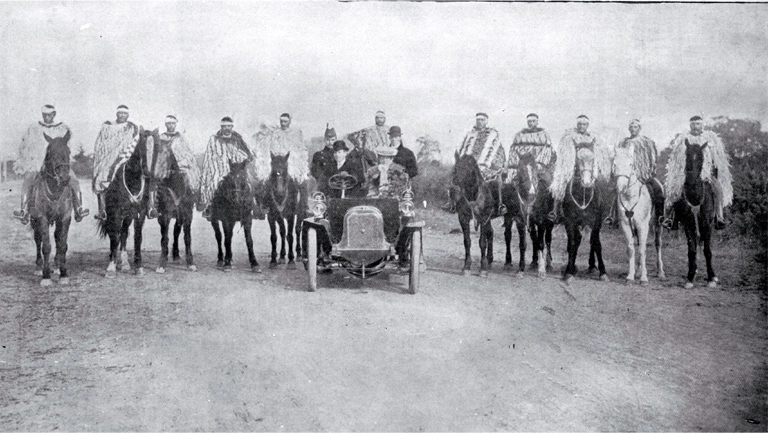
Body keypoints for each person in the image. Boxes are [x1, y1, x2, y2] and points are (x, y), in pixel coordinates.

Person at [13, 104, 88, 224]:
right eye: (45, 115)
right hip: (37, 163)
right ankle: (24, 210)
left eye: (49, 115)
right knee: (28, 179)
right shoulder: (34, 128)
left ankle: (79, 208)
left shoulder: (62, 128)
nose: (47, 117)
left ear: (54, 115)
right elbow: (25, 145)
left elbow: (68, 145)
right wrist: (29, 159)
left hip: (58, 164)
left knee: (73, 179)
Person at [664, 115, 732, 230]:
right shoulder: (683, 140)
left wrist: (714, 173)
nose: (695, 127)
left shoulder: (711, 139)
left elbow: (718, 159)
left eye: (698, 124)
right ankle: (671, 218)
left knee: (718, 190)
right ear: (690, 125)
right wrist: (679, 174)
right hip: (686, 174)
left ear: (702, 125)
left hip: (706, 175)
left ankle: (719, 217)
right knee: (674, 191)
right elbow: (676, 160)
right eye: (693, 124)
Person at [607, 119, 670, 228]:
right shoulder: (623, 143)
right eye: (631, 127)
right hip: (627, 175)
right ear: (628, 129)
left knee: (659, 188)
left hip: (644, 175)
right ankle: (613, 217)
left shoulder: (647, 142)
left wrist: (649, 171)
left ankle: (661, 217)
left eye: (635, 127)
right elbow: (618, 158)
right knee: (616, 191)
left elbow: (652, 158)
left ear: (639, 128)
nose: (633, 129)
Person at [548, 115, 612, 222]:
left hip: (591, 168)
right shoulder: (569, 138)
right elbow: (564, 155)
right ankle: (555, 210)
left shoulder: (594, 138)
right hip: (572, 168)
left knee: (602, 183)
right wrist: (568, 167)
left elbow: (601, 154)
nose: (582, 126)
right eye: (580, 124)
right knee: (560, 182)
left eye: (584, 124)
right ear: (577, 125)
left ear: (587, 125)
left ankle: (606, 212)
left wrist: (596, 167)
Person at [444, 112, 506, 214]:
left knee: (497, 181)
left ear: (486, 121)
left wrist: (491, 164)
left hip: (487, 166)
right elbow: (464, 150)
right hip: (469, 166)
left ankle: (500, 205)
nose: (479, 122)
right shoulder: (470, 135)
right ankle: (451, 203)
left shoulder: (493, 135)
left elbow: (497, 152)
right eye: (478, 120)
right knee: (454, 179)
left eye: (482, 120)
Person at [146, 115, 201, 219]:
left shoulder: (181, 138)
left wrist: (184, 164)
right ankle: (152, 206)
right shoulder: (161, 138)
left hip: (180, 166)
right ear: (166, 125)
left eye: (173, 124)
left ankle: (197, 200)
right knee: (153, 180)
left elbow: (186, 153)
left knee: (192, 178)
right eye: (169, 124)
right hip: (163, 167)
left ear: (175, 124)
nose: (171, 126)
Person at [92, 105, 141, 221]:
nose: (122, 115)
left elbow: (134, 143)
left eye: (125, 114)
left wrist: (125, 155)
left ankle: (141, 207)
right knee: (101, 176)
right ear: (117, 114)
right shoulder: (107, 127)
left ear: (127, 115)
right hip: (108, 158)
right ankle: (102, 210)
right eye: (120, 113)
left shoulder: (132, 128)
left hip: (125, 157)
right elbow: (101, 144)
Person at [198, 116, 252, 220]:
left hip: (235, 166)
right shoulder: (214, 139)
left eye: (229, 126)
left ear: (232, 127)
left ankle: (251, 205)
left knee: (247, 181)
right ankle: (210, 205)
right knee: (214, 180)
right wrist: (215, 165)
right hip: (218, 167)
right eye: (224, 126)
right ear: (221, 127)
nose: (226, 128)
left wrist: (241, 158)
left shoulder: (238, 139)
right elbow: (210, 155)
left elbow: (248, 154)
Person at [309, 124, 338, 196]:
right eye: (328, 140)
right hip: (325, 188)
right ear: (324, 140)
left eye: (332, 140)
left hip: (339, 186)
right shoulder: (318, 155)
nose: (330, 142)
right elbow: (316, 173)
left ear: (336, 140)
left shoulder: (340, 155)